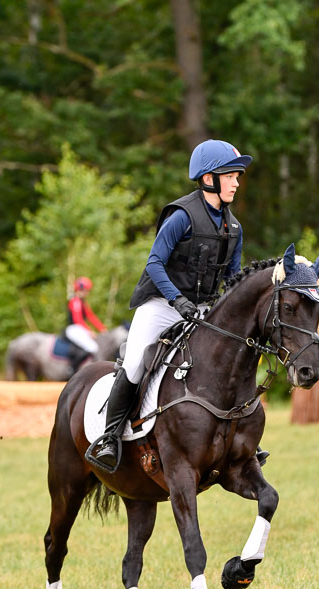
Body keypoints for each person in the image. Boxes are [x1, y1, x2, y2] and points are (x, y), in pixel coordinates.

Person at [93, 139, 268, 470]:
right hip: (161, 304)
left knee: (231, 360)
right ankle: (110, 437)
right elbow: (154, 263)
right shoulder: (180, 216)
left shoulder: (234, 228)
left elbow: (231, 280)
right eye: (230, 175)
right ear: (208, 179)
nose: (236, 182)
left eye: (237, 176)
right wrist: (177, 300)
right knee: (134, 364)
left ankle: (242, 437)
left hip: (202, 309)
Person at [65, 276, 107, 376]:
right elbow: (77, 319)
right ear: (80, 289)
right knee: (92, 347)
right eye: (85, 290)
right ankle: (72, 368)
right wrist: (89, 331)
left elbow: (91, 316)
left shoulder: (83, 302)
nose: (87, 293)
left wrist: (102, 328)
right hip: (74, 328)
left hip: (79, 328)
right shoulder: (75, 301)